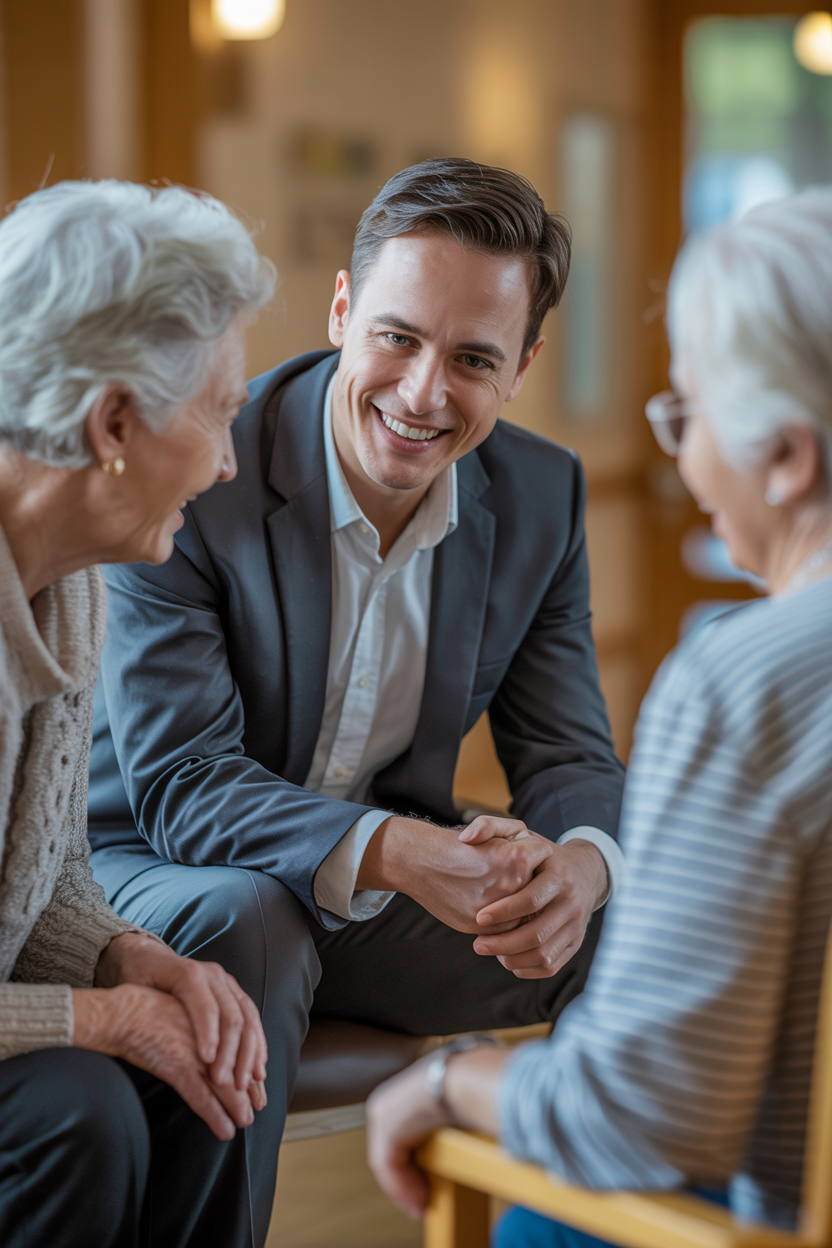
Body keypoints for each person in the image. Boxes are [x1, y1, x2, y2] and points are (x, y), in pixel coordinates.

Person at [88, 159, 626, 1164]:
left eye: (473, 359)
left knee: (651, 923)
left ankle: (589, 1225)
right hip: (154, 873)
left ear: (522, 366)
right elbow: (181, 783)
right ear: (342, 310)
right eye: (397, 337)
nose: (423, 393)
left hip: (365, 905)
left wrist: (581, 872)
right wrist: (404, 853)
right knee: (251, 919)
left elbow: (567, 754)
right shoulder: (203, 464)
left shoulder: (542, 494)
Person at [365, 186, 832, 1244]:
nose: (684, 457)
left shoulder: (745, 684)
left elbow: (644, 1118)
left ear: (787, 454)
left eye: (690, 415)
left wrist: (446, 1083)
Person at [0, 179, 279, 1248]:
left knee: (205, 1065)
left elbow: (47, 874)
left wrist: (129, 958)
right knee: (77, 1111)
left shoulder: (71, 580)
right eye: (217, 411)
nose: (227, 461)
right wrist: (97, 1018)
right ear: (112, 421)